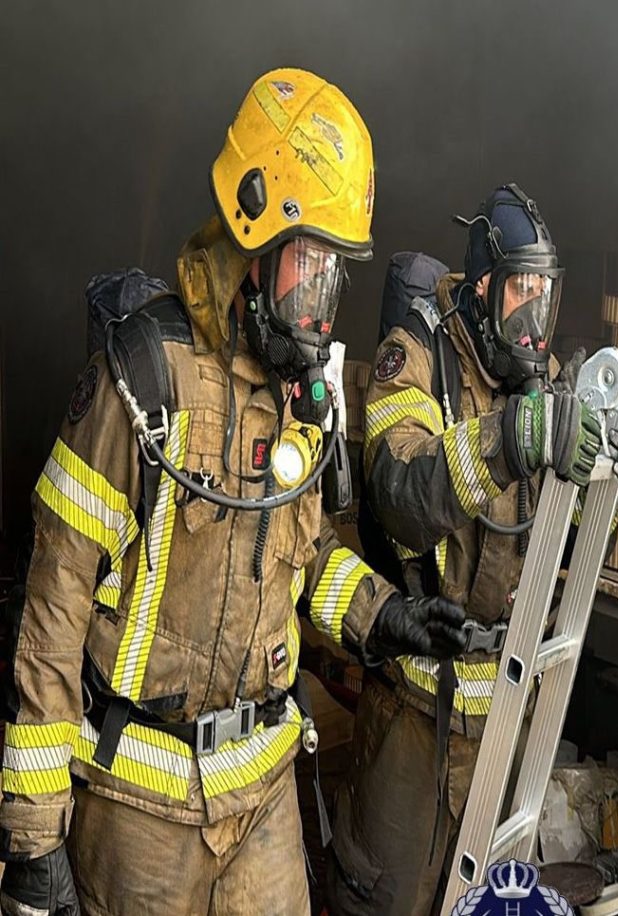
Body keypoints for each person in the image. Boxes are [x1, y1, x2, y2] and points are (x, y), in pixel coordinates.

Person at [0, 68, 466, 916]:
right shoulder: (144, 379)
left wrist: (385, 616)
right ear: (253, 243)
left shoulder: (299, 399)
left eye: (333, 277)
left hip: (263, 798)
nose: (322, 307)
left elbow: (303, 558)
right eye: (308, 269)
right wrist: (34, 838)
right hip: (139, 811)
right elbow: (53, 607)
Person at [326, 184, 603, 915]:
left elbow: (552, 534)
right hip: (415, 716)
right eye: (520, 293)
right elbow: (401, 493)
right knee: (388, 900)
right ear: (483, 289)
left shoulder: (538, 381)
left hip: (505, 717)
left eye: (545, 295)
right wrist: (507, 441)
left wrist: (598, 467)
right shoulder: (417, 356)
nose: (534, 319)